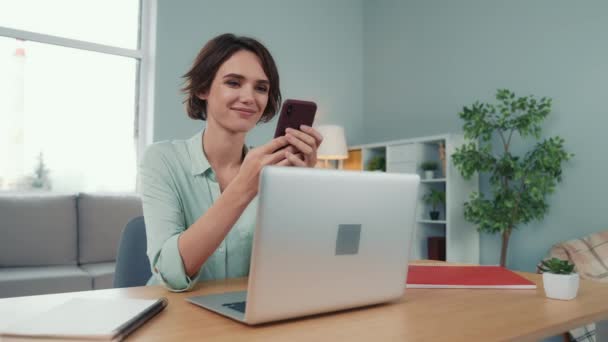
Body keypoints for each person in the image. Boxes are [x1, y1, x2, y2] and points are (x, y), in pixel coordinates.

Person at [139, 33, 323, 292]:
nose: (249, 97)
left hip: (246, 312)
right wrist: (244, 187)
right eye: (234, 83)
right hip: (175, 314)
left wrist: (300, 187)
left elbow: (295, 265)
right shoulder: (162, 160)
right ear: (203, 88)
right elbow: (169, 273)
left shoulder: (276, 168)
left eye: (261, 88)